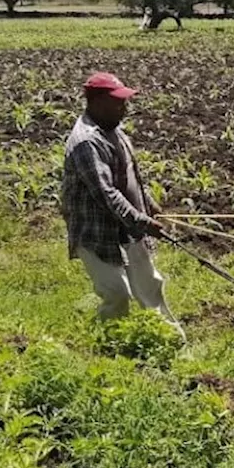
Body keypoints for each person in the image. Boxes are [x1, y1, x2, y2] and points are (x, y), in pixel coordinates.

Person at [60, 72, 185, 340]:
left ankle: (169, 341)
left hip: (128, 228)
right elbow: (107, 194)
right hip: (97, 232)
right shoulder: (86, 142)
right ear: (96, 103)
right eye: (118, 102)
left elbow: (130, 177)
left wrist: (150, 206)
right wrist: (142, 222)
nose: (124, 108)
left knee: (150, 286)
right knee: (116, 293)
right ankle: (112, 347)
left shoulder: (114, 131)